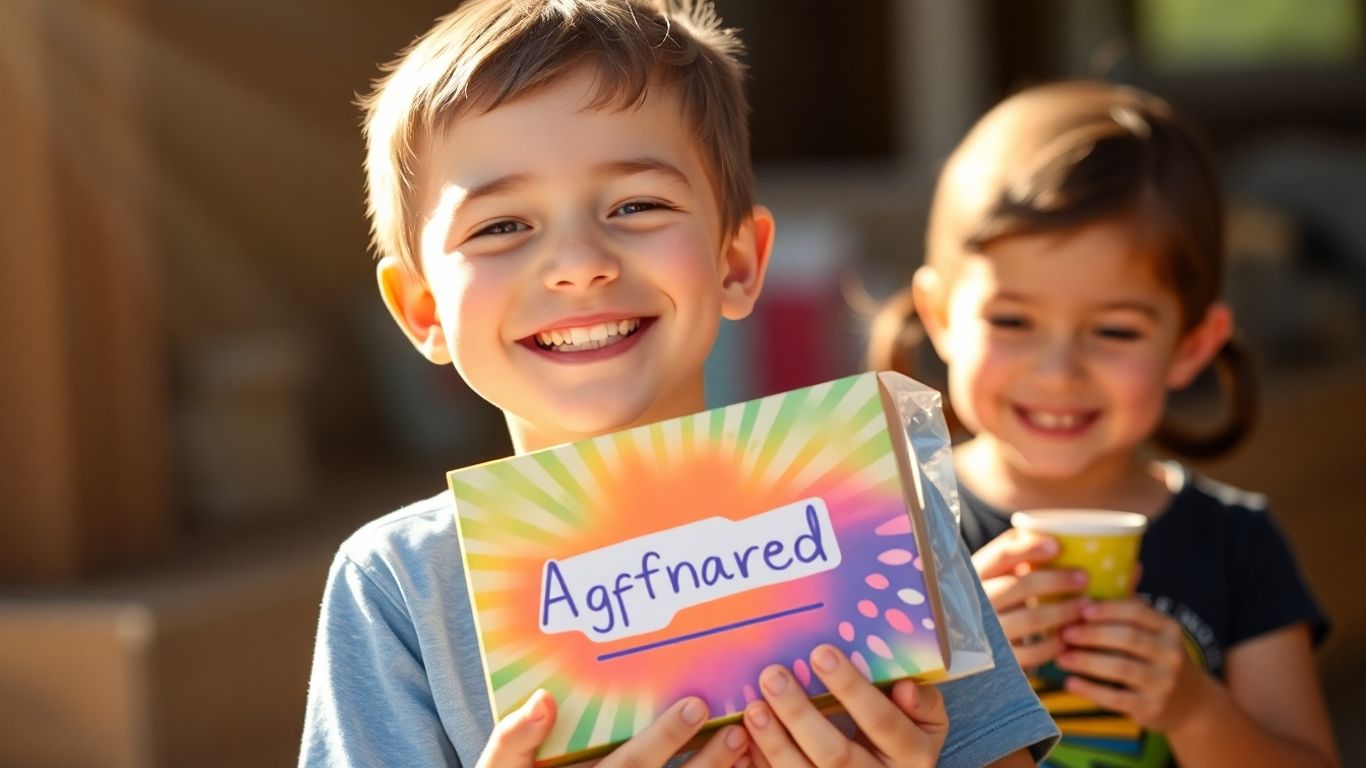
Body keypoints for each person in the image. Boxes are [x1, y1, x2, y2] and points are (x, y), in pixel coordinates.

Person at [299, 2, 1059, 767]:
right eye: (501, 226)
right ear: (422, 309)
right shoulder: (400, 591)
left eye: (636, 205)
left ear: (737, 263)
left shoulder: (872, 513)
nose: (579, 262)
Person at [868, 81, 1340, 768]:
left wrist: (1194, 708)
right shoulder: (896, 535)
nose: (1059, 371)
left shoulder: (1237, 547)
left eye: (1114, 330)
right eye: (1012, 321)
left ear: (1191, 346)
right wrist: (965, 666)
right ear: (940, 317)